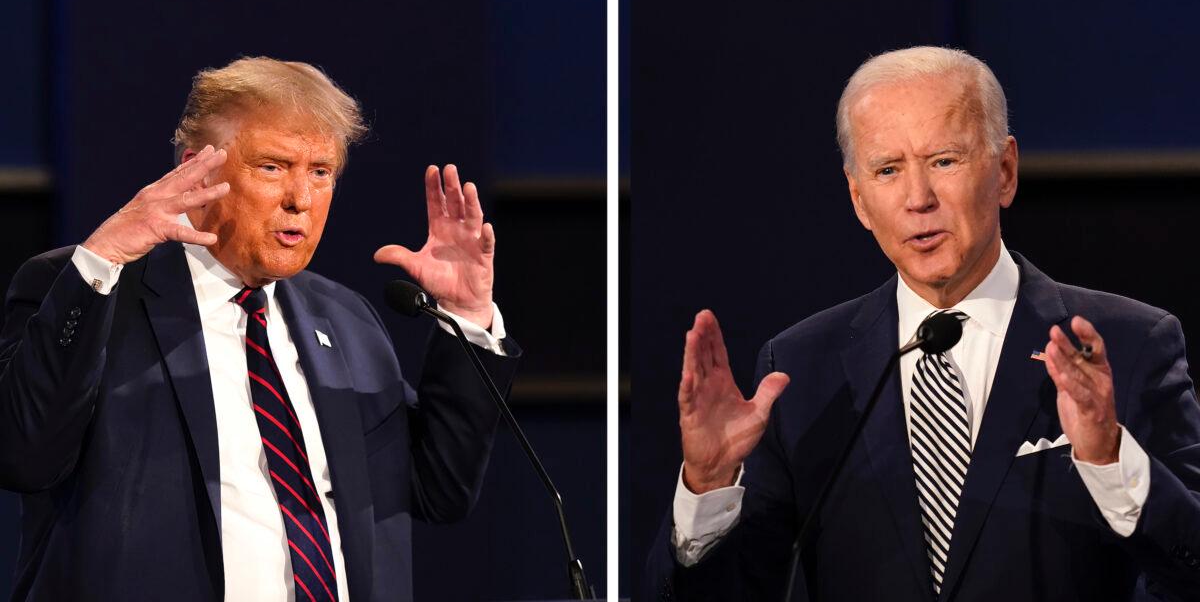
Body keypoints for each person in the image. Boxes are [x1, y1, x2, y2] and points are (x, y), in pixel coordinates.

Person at [645, 46, 1200, 601]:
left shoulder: (1128, 345)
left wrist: (1109, 460)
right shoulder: (801, 371)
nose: (918, 199)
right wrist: (708, 488)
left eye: (944, 161)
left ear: (1005, 171)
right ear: (859, 200)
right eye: (888, 171)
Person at [0, 57, 519, 601]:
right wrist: (100, 260)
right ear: (196, 169)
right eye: (272, 167)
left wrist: (466, 317)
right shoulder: (89, 288)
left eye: (320, 172)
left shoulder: (345, 319)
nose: (301, 199)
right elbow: (23, 453)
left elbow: (440, 490)